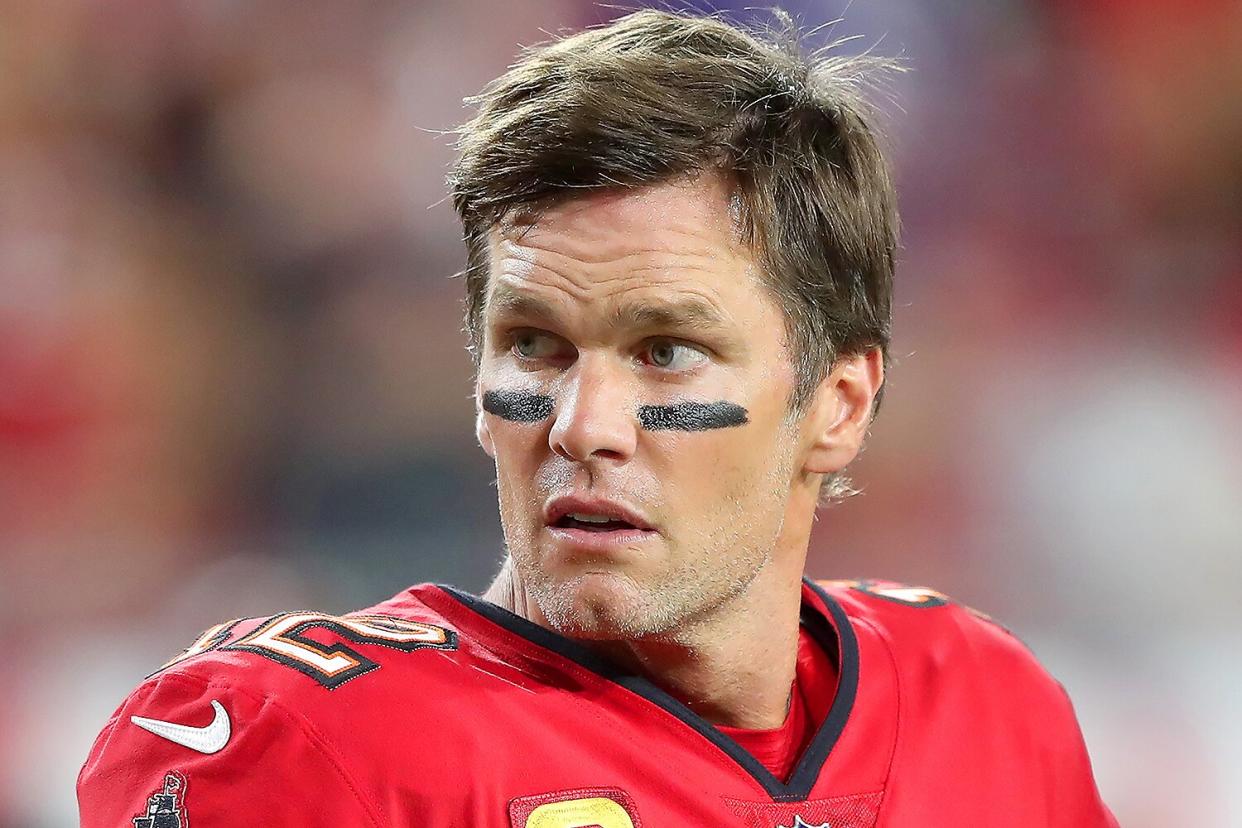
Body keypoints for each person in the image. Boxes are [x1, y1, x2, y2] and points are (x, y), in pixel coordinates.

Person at [78, 10, 1117, 827]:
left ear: (837, 408)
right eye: (535, 344)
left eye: (666, 352)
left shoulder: (977, 704)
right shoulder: (307, 743)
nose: (584, 424)